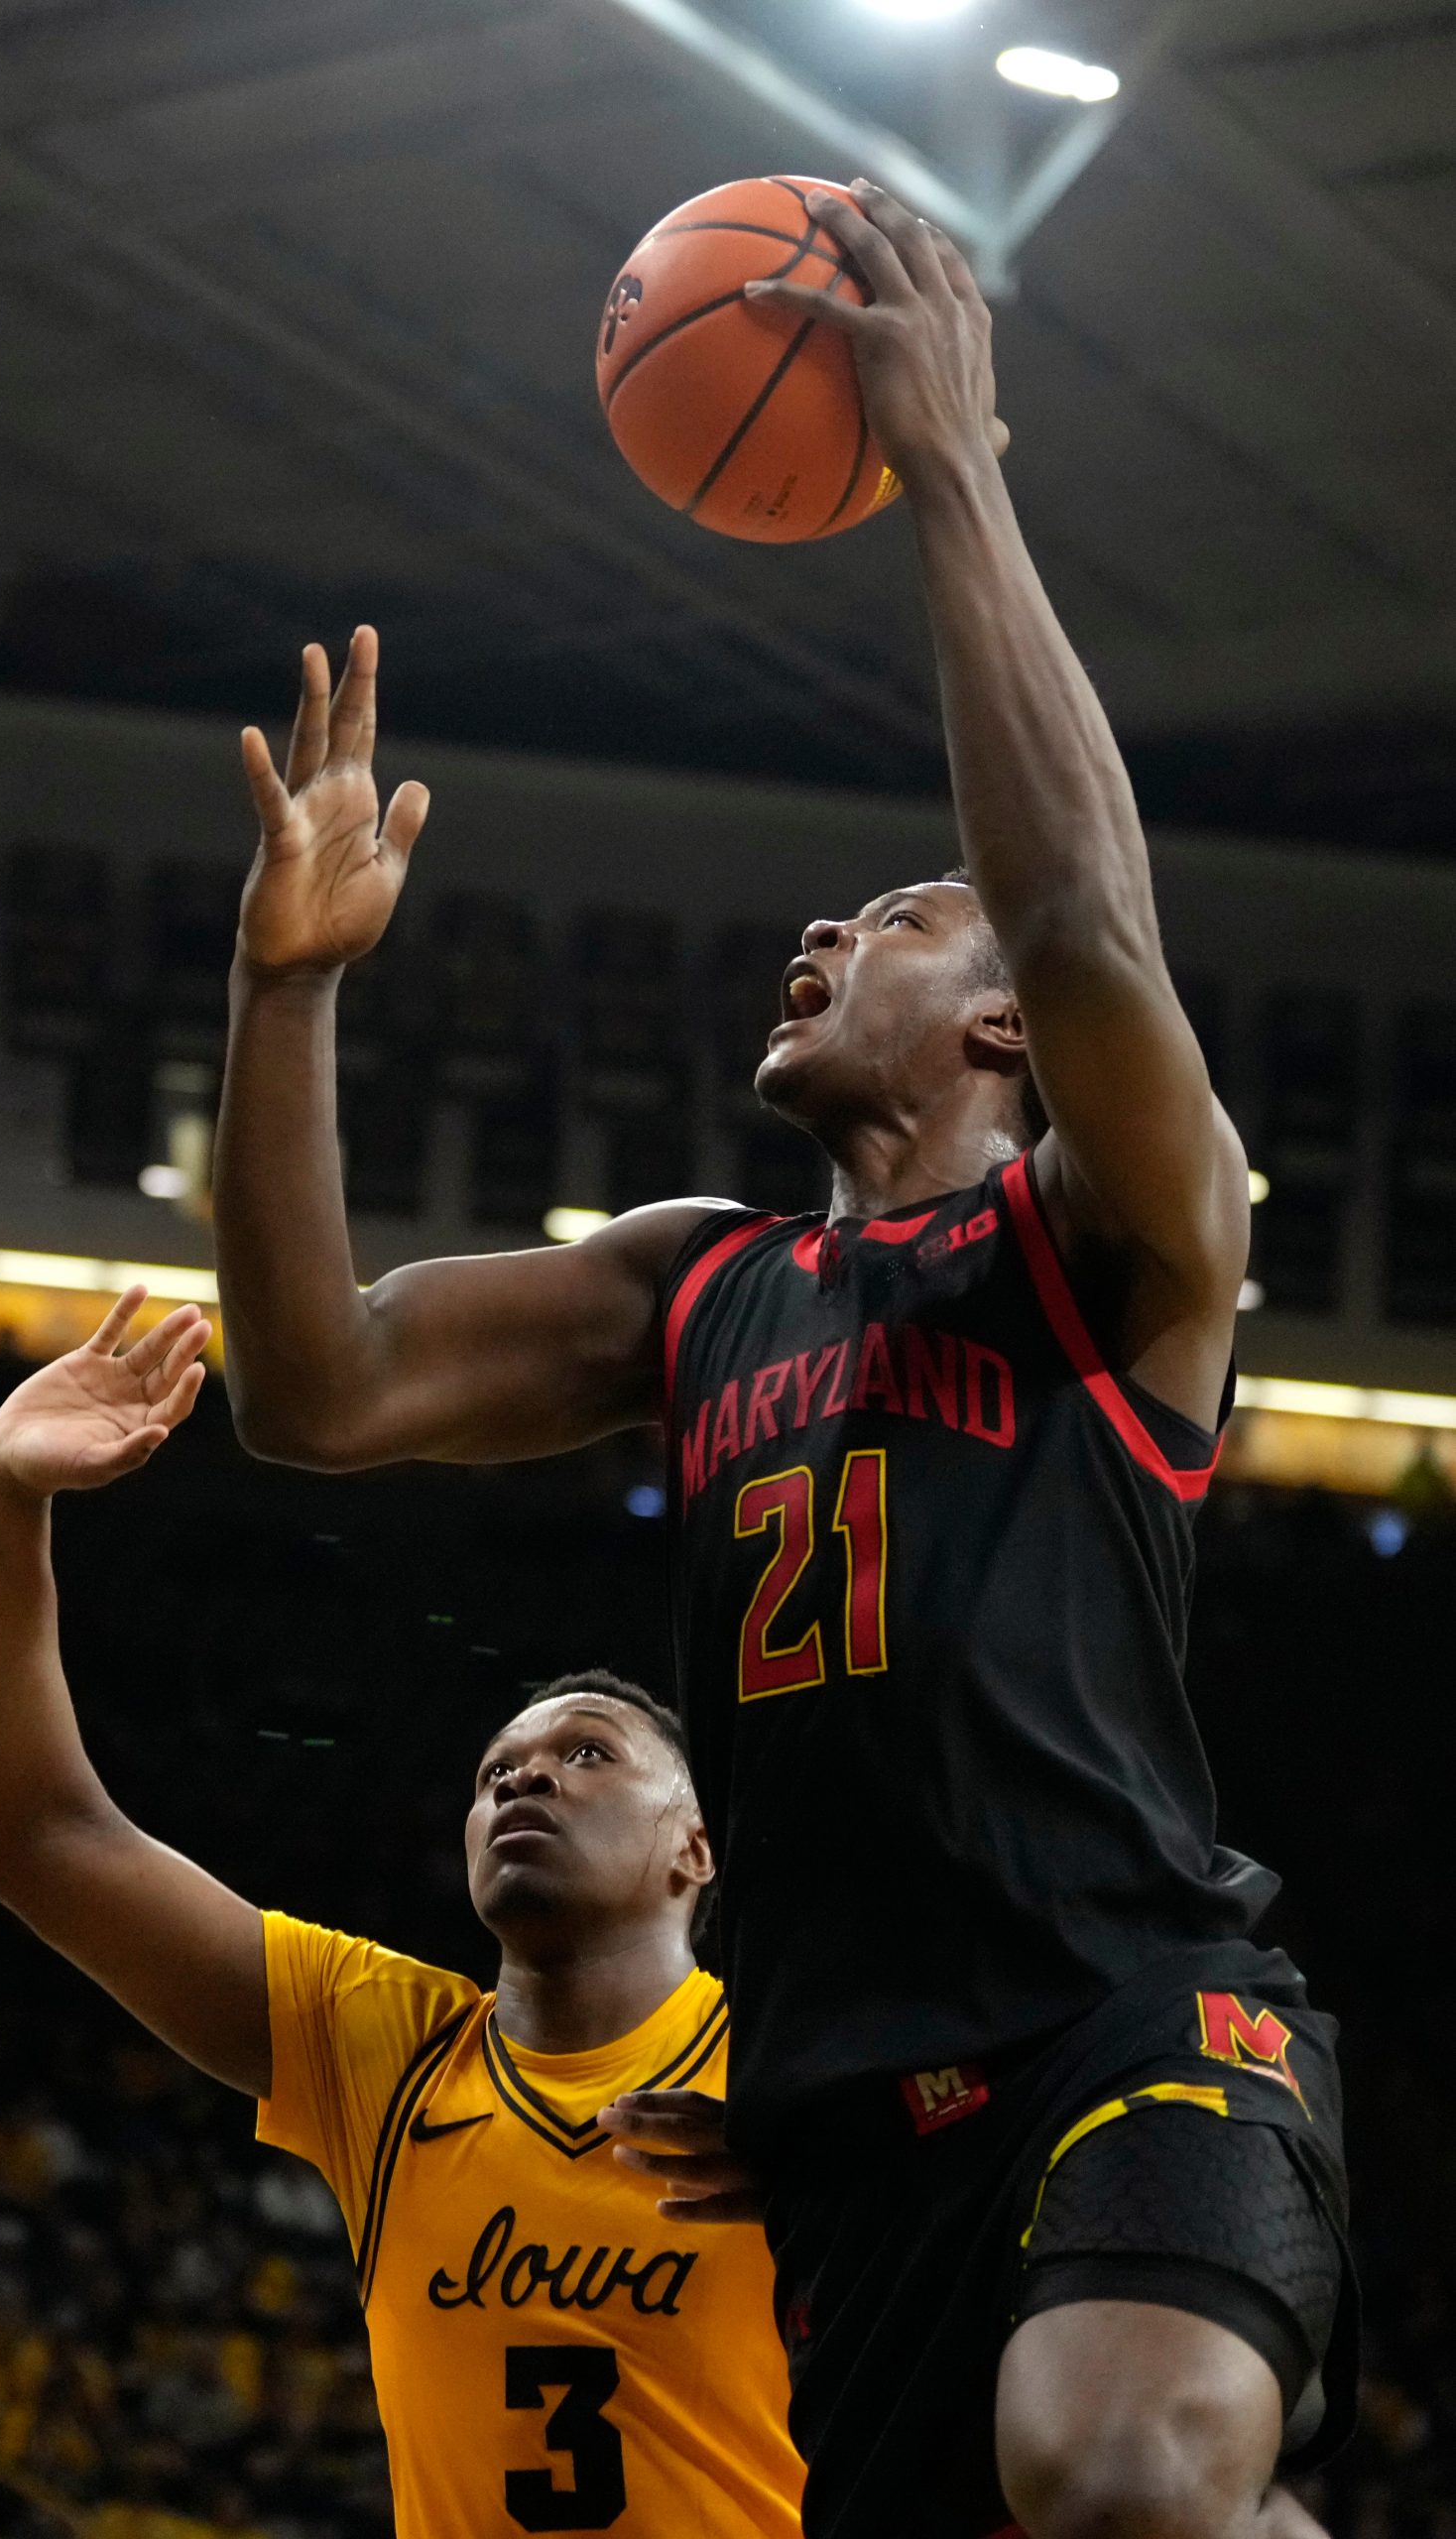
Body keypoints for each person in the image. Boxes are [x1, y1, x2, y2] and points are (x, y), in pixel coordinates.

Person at [211, 182, 1358, 2539]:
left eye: (897, 919)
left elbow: (1075, 909)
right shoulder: (687, 1287)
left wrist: (949, 472)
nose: (826, 924)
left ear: (1003, 1030)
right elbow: (310, 1385)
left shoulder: (1112, 1246)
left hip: (1128, 2017)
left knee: (1123, 2470)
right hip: (836, 2136)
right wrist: (288, 991)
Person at [0, 1289, 803, 2539]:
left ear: (699, 1845)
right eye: (495, 1771)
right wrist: (11, 1501)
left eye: (588, 1754)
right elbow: (37, 1838)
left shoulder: (809, 2061)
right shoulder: (388, 2052)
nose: (524, 1777)